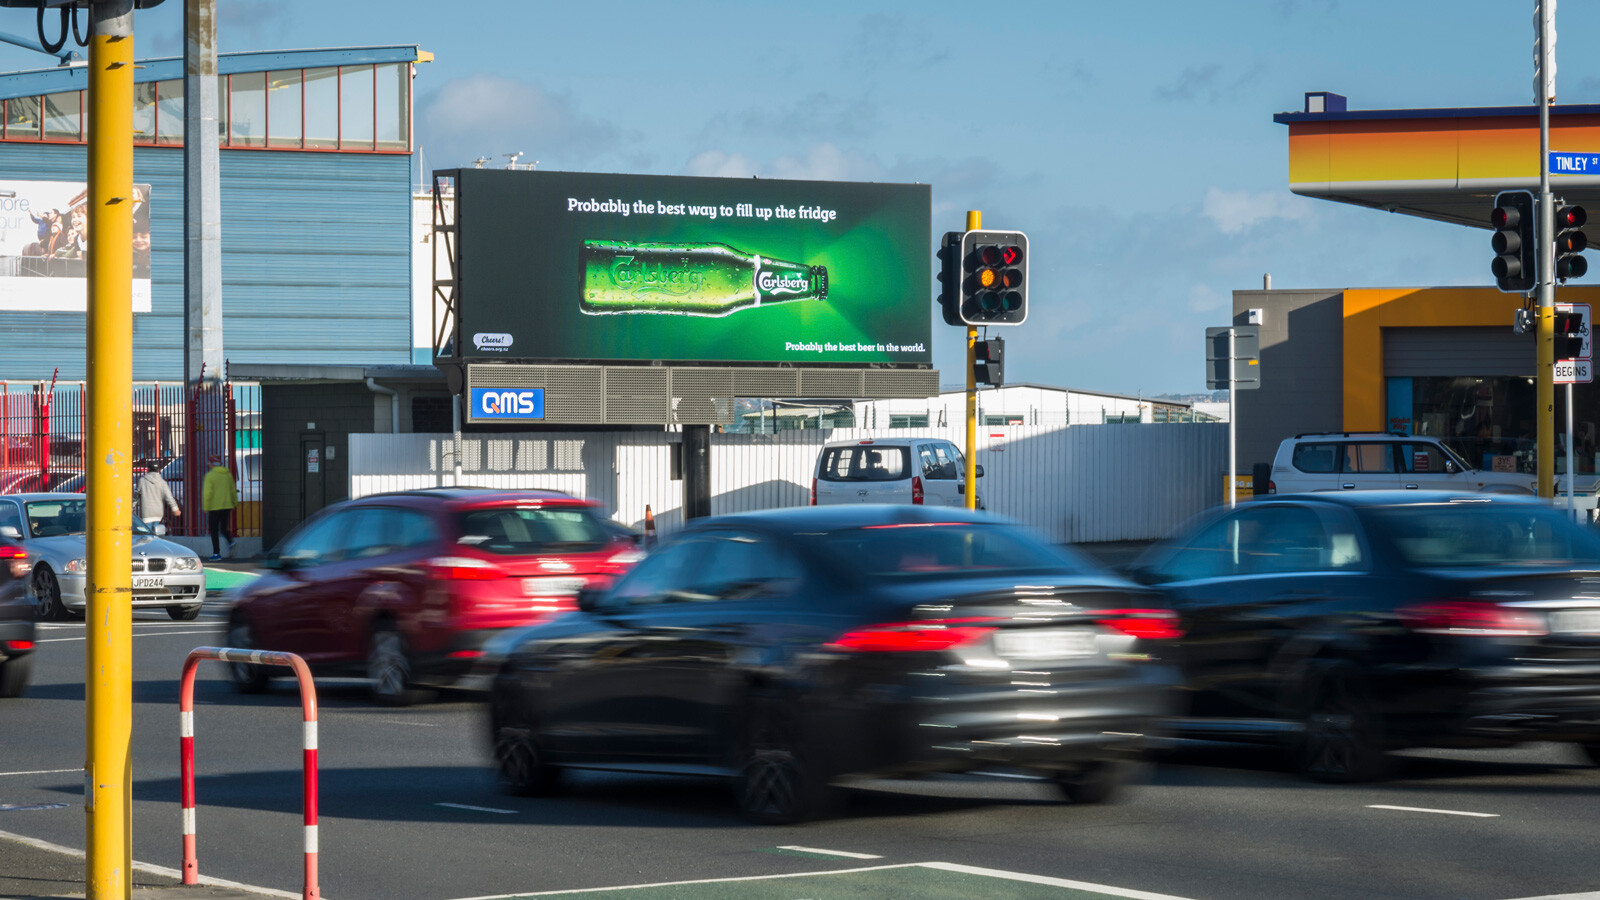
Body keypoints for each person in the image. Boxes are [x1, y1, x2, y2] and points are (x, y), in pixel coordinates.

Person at [201, 454, 237, 561]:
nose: (208, 464)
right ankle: (231, 542)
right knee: (223, 528)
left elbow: (207, 493)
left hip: (214, 507)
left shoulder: (210, 476)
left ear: (212, 463)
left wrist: (206, 507)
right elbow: (233, 490)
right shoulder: (228, 474)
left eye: (209, 462)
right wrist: (234, 503)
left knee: (214, 530)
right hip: (227, 506)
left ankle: (216, 554)